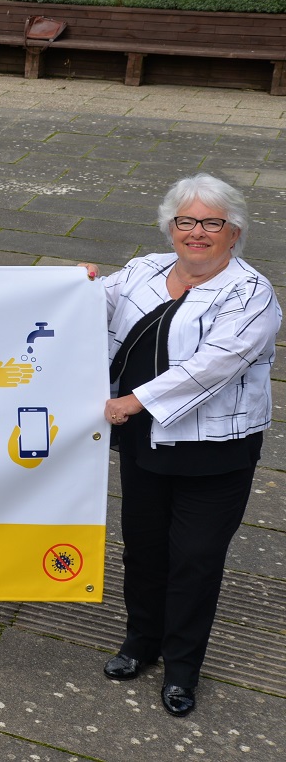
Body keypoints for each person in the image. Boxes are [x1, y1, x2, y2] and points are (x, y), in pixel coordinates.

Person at [81, 174, 279, 719]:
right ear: (170, 228)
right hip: (146, 443)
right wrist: (71, 286)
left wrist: (133, 401)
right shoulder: (145, 268)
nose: (196, 233)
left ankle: (183, 668)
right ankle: (140, 643)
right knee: (144, 549)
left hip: (215, 451)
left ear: (233, 232)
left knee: (194, 559)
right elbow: (89, 305)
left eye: (211, 223)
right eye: (185, 221)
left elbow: (212, 365)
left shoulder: (251, 293)